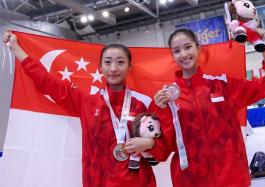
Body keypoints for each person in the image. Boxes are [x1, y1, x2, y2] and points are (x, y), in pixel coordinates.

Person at [3, 31, 156, 187]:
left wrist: (150, 143)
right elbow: (48, 83)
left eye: (120, 62)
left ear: (130, 67)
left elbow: (161, 146)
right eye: (108, 62)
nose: (114, 68)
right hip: (96, 182)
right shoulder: (87, 100)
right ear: (100, 67)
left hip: (136, 182)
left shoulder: (142, 104)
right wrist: (16, 49)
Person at [143, 28, 265, 187]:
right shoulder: (166, 98)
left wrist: (261, 46)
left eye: (188, 47)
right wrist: (160, 112)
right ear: (172, 56)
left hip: (231, 178)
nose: (183, 54)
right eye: (177, 50)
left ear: (198, 48)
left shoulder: (222, 85)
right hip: (191, 181)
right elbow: (164, 150)